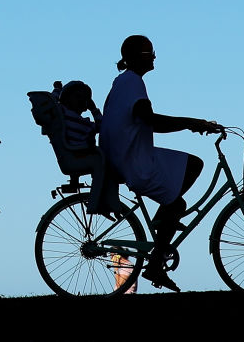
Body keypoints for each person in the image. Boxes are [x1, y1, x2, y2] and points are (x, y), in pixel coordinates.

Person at [99, 35, 221, 292]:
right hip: (135, 161)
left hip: (128, 155)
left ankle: (164, 221)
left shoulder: (124, 82)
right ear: (135, 57)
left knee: (179, 195)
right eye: (148, 52)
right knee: (187, 181)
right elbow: (150, 119)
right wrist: (191, 123)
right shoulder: (132, 83)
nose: (153, 56)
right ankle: (156, 259)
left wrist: (190, 123)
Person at [56, 80, 101, 150]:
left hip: (87, 157)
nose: (81, 100)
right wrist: (57, 89)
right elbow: (51, 103)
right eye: (78, 96)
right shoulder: (62, 112)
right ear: (66, 99)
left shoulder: (87, 123)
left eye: (85, 98)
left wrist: (94, 109)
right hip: (75, 155)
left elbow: (102, 127)